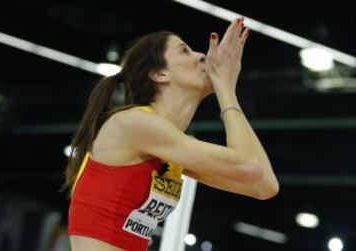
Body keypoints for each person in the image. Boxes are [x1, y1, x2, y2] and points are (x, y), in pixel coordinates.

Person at [63, 17, 279, 251]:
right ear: (159, 74)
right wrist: (224, 86)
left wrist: (227, 89)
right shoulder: (135, 123)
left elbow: (264, 186)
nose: (201, 56)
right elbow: (249, 165)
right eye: (185, 51)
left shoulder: (172, 149)